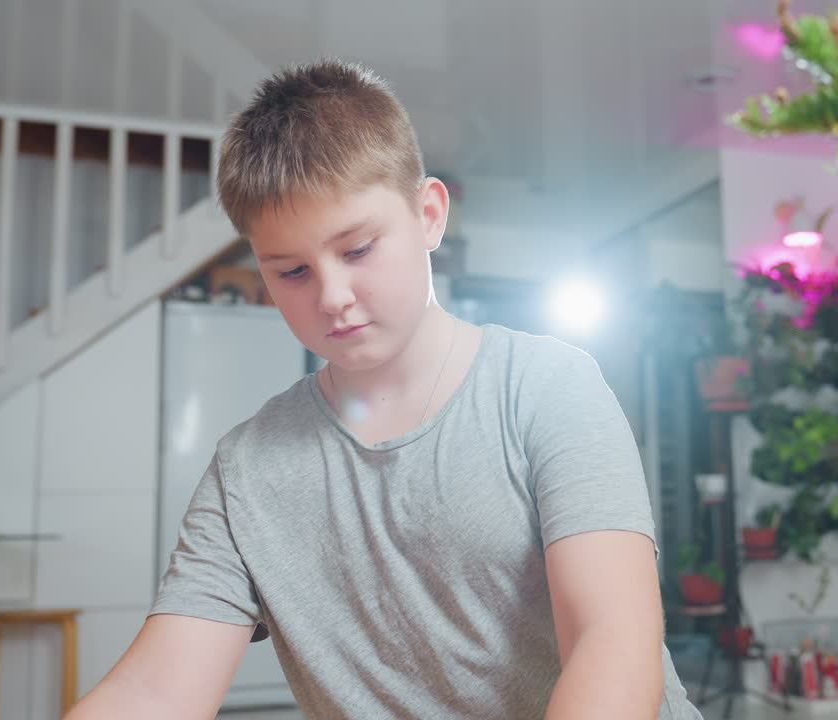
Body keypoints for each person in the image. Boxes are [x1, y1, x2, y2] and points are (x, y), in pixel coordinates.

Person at [64, 58, 702, 720]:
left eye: (358, 250)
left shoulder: (547, 387)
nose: (333, 297)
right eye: (292, 272)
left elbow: (614, 643)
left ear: (428, 214)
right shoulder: (248, 471)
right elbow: (156, 692)